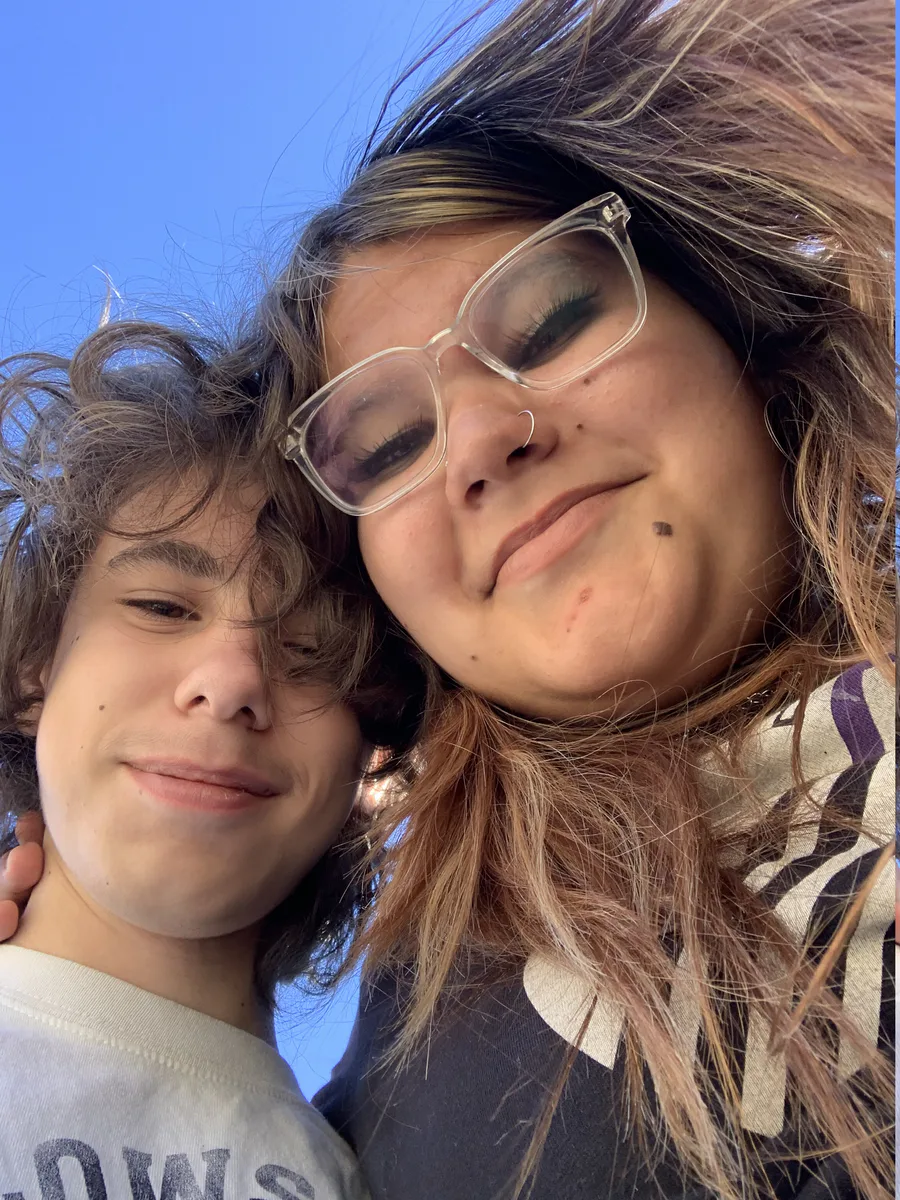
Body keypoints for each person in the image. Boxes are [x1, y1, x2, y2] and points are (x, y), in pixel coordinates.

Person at [2, 0, 894, 1197]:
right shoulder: (392, 1069)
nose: (477, 436)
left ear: (730, 326)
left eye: (553, 320)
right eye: (388, 445)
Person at [0, 321, 421, 1200]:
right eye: (160, 606)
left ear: (374, 761)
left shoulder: (365, 1174)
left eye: (313, 652)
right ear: (37, 665)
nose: (230, 684)